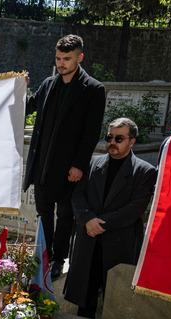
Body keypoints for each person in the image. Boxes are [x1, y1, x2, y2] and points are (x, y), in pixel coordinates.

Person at [25, 34, 106, 280]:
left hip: (69, 169)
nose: (61, 63)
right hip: (42, 165)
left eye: (67, 59)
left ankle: (59, 258)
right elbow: (27, 107)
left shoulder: (93, 89)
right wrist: (20, 88)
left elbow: (91, 132)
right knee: (44, 213)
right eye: (58, 58)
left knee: (66, 216)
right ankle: (44, 254)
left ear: (80, 58)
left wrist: (79, 165)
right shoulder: (48, 84)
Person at [64, 118, 158, 318]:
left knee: (116, 299)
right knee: (84, 295)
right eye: (109, 137)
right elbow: (78, 195)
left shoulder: (144, 171)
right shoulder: (92, 163)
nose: (112, 142)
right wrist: (88, 219)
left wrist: (101, 224)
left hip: (118, 242)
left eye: (119, 138)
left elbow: (135, 208)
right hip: (89, 239)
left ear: (132, 141)